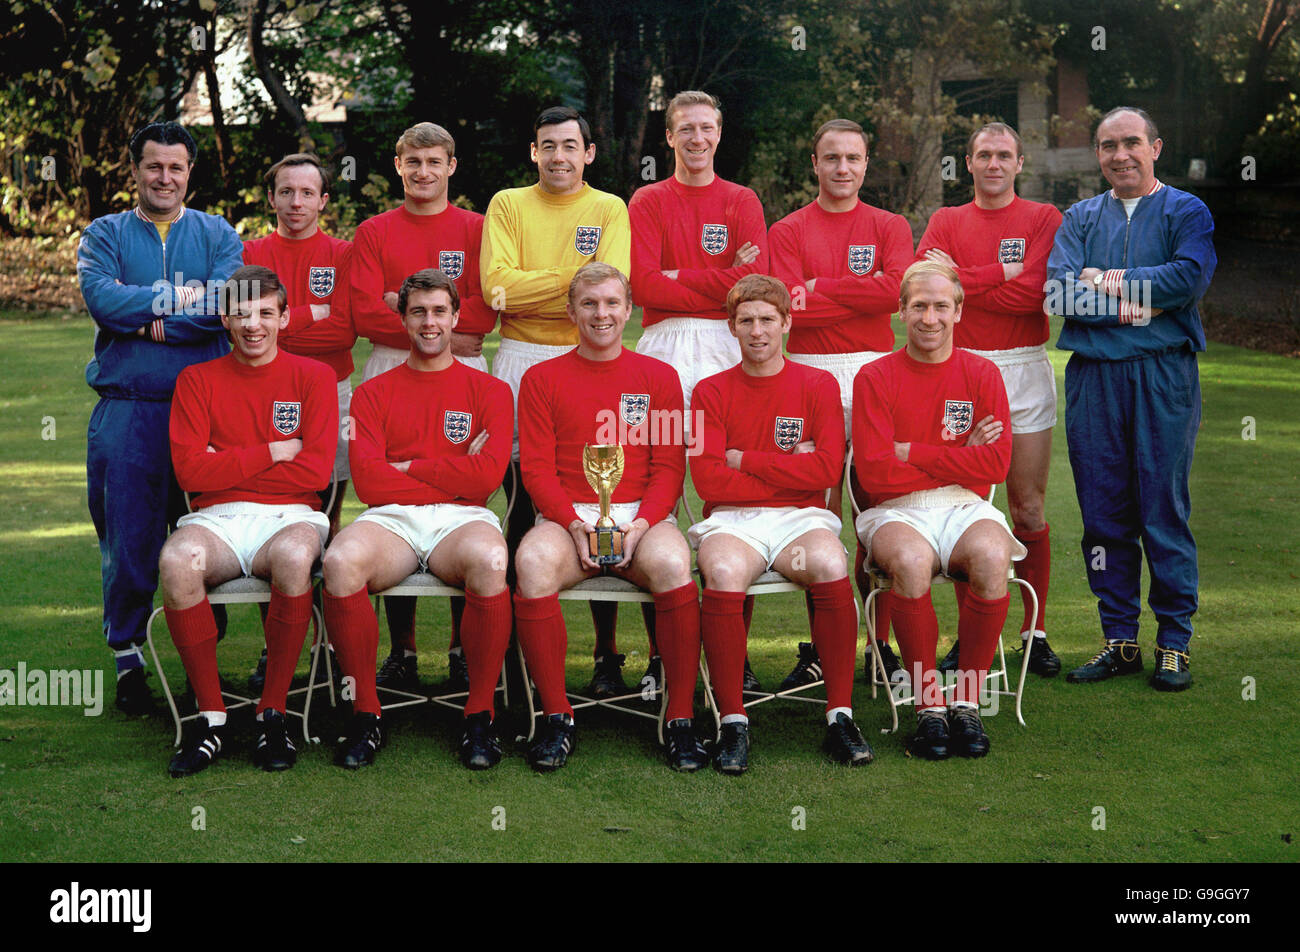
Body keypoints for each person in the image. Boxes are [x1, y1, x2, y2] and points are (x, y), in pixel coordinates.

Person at [77, 121, 243, 715]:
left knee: (218, 532)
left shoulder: (218, 232)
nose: (164, 178)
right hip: (131, 414)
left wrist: (149, 311)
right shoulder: (104, 233)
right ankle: (127, 656)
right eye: (153, 167)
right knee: (128, 538)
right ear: (136, 170)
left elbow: (227, 303)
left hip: (210, 416)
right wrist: (181, 300)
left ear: (189, 173)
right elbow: (103, 299)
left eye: (175, 167)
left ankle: (207, 656)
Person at [1046, 107, 1215, 692]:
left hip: (1163, 375)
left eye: (1131, 143)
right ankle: (1118, 639)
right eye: (1108, 145)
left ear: (1156, 148)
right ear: (1098, 154)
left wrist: (1109, 282)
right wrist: (1141, 305)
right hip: (1095, 379)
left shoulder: (1186, 211)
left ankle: (1174, 642)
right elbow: (1058, 293)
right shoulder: (1080, 217)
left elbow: (1187, 280)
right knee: (1102, 513)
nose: (1120, 154)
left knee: (1161, 508)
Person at [514, 263, 703, 773]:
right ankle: (556, 717)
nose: (602, 314)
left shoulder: (659, 377)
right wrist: (572, 524)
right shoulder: (540, 379)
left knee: (671, 564)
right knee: (531, 563)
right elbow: (535, 467)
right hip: (569, 516)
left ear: (629, 309)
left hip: (641, 516)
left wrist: (641, 526)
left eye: (612, 303)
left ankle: (680, 718)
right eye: (590, 304)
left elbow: (668, 467)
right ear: (571, 311)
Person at [321, 269, 513, 770]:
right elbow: (370, 484)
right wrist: (455, 470)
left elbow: (485, 480)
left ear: (456, 317)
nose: (430, 323)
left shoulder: (490, 391)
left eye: (439, 311)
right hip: (393, 520)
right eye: (418, 312)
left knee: (493, 560)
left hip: (463, 518)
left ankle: (479, 715)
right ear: (403, 318)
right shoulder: (371, 393)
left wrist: (410, 467)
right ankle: (366, 712)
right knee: (340, 561)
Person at [158, 265, 337, 776]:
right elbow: (190, 470)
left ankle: (272, 711)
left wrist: (229, 459)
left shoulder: (314, 378)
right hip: (215, 516)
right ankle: (211, 718)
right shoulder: (196, 381)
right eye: (240, 313)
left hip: (292, 514)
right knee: (177, 560)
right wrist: (276, 449)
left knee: (295, 556)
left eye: (264, 313)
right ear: (224, 318)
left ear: (284, 316)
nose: (252, 324)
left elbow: (317, 470)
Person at [480, 106, 634, 696]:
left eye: (571, 146)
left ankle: (606, 652)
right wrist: (572, 279)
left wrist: (536, 282)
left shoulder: (609, 207)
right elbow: (497, 289)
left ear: (588, 153)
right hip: (522, 357)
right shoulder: (507, 205)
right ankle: (521, 649)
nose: (560, 156)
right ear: (533, 151)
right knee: (525, 495)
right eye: (549, 146)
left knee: (605, 487)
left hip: (593, 360)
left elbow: (611, 287)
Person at [690, 274, 871, 775]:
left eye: (768, 319)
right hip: (733, 521)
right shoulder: (709, 391)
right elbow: (709, 482)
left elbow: (826, 470)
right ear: (731, 327)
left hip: (802, 518)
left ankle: (839, 715)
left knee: (830, 560)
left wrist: (743, 459)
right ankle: (732, 719)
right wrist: (789, 469)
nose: (757, 330)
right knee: (724, 571)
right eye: (746, 320)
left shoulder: (817, 384)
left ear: (787, 322)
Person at [852, 260, 1023, 760]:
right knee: (909, 562)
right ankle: (928, 706)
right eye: (919, 306)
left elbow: (994, 464)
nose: (930, 317)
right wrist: (960, 455)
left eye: (941, 306)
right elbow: (877, 476)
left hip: (964, 505)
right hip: (894, 510)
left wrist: (913, 451)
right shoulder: (874, 376)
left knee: (993, 558)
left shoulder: (982, 372)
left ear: (958, 311)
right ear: (901, 311)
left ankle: (967, 702)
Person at [350, 122, 496, 694]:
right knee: (387, 501)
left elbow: (487, 310)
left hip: (462, 372)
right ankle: (403, 649)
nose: (424, 172)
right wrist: (432, 332)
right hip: (391, 367)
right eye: (413, 162)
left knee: (466, 496)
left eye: (434, 161)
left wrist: (406, 308)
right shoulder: (374, 231)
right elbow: (362, 313)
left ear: (451, 166)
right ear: (398, 164)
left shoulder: (477, 228)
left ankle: (463, 647)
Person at [768, 118, 914, 691]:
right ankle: (819, 648)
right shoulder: (788, 229)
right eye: (832, 158)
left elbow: (896, 295)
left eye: (853, 158)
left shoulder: (889, 224)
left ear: (866, 165)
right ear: (815, 163)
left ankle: (882, 647)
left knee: (877, 512)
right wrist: (860, 293)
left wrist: (822, 287)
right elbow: (791, 307)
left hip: (877, 376)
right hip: (808, 379)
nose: (843, 169)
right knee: (819, 517)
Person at [916, 121, 1063, 678]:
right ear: (969, 163)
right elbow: (931, 289)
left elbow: (1038, 289)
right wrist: (1000, 273)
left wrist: (967, 282)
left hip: (1024, 366)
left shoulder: (1044, 218)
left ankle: (1034, 631)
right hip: (961, 374)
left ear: (1019, 163)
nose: (994, 163)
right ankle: (969, 637)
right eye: (984, 155)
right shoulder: (946, 220)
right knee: (963, 508)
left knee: (1026, 504)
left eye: (1004, 155)